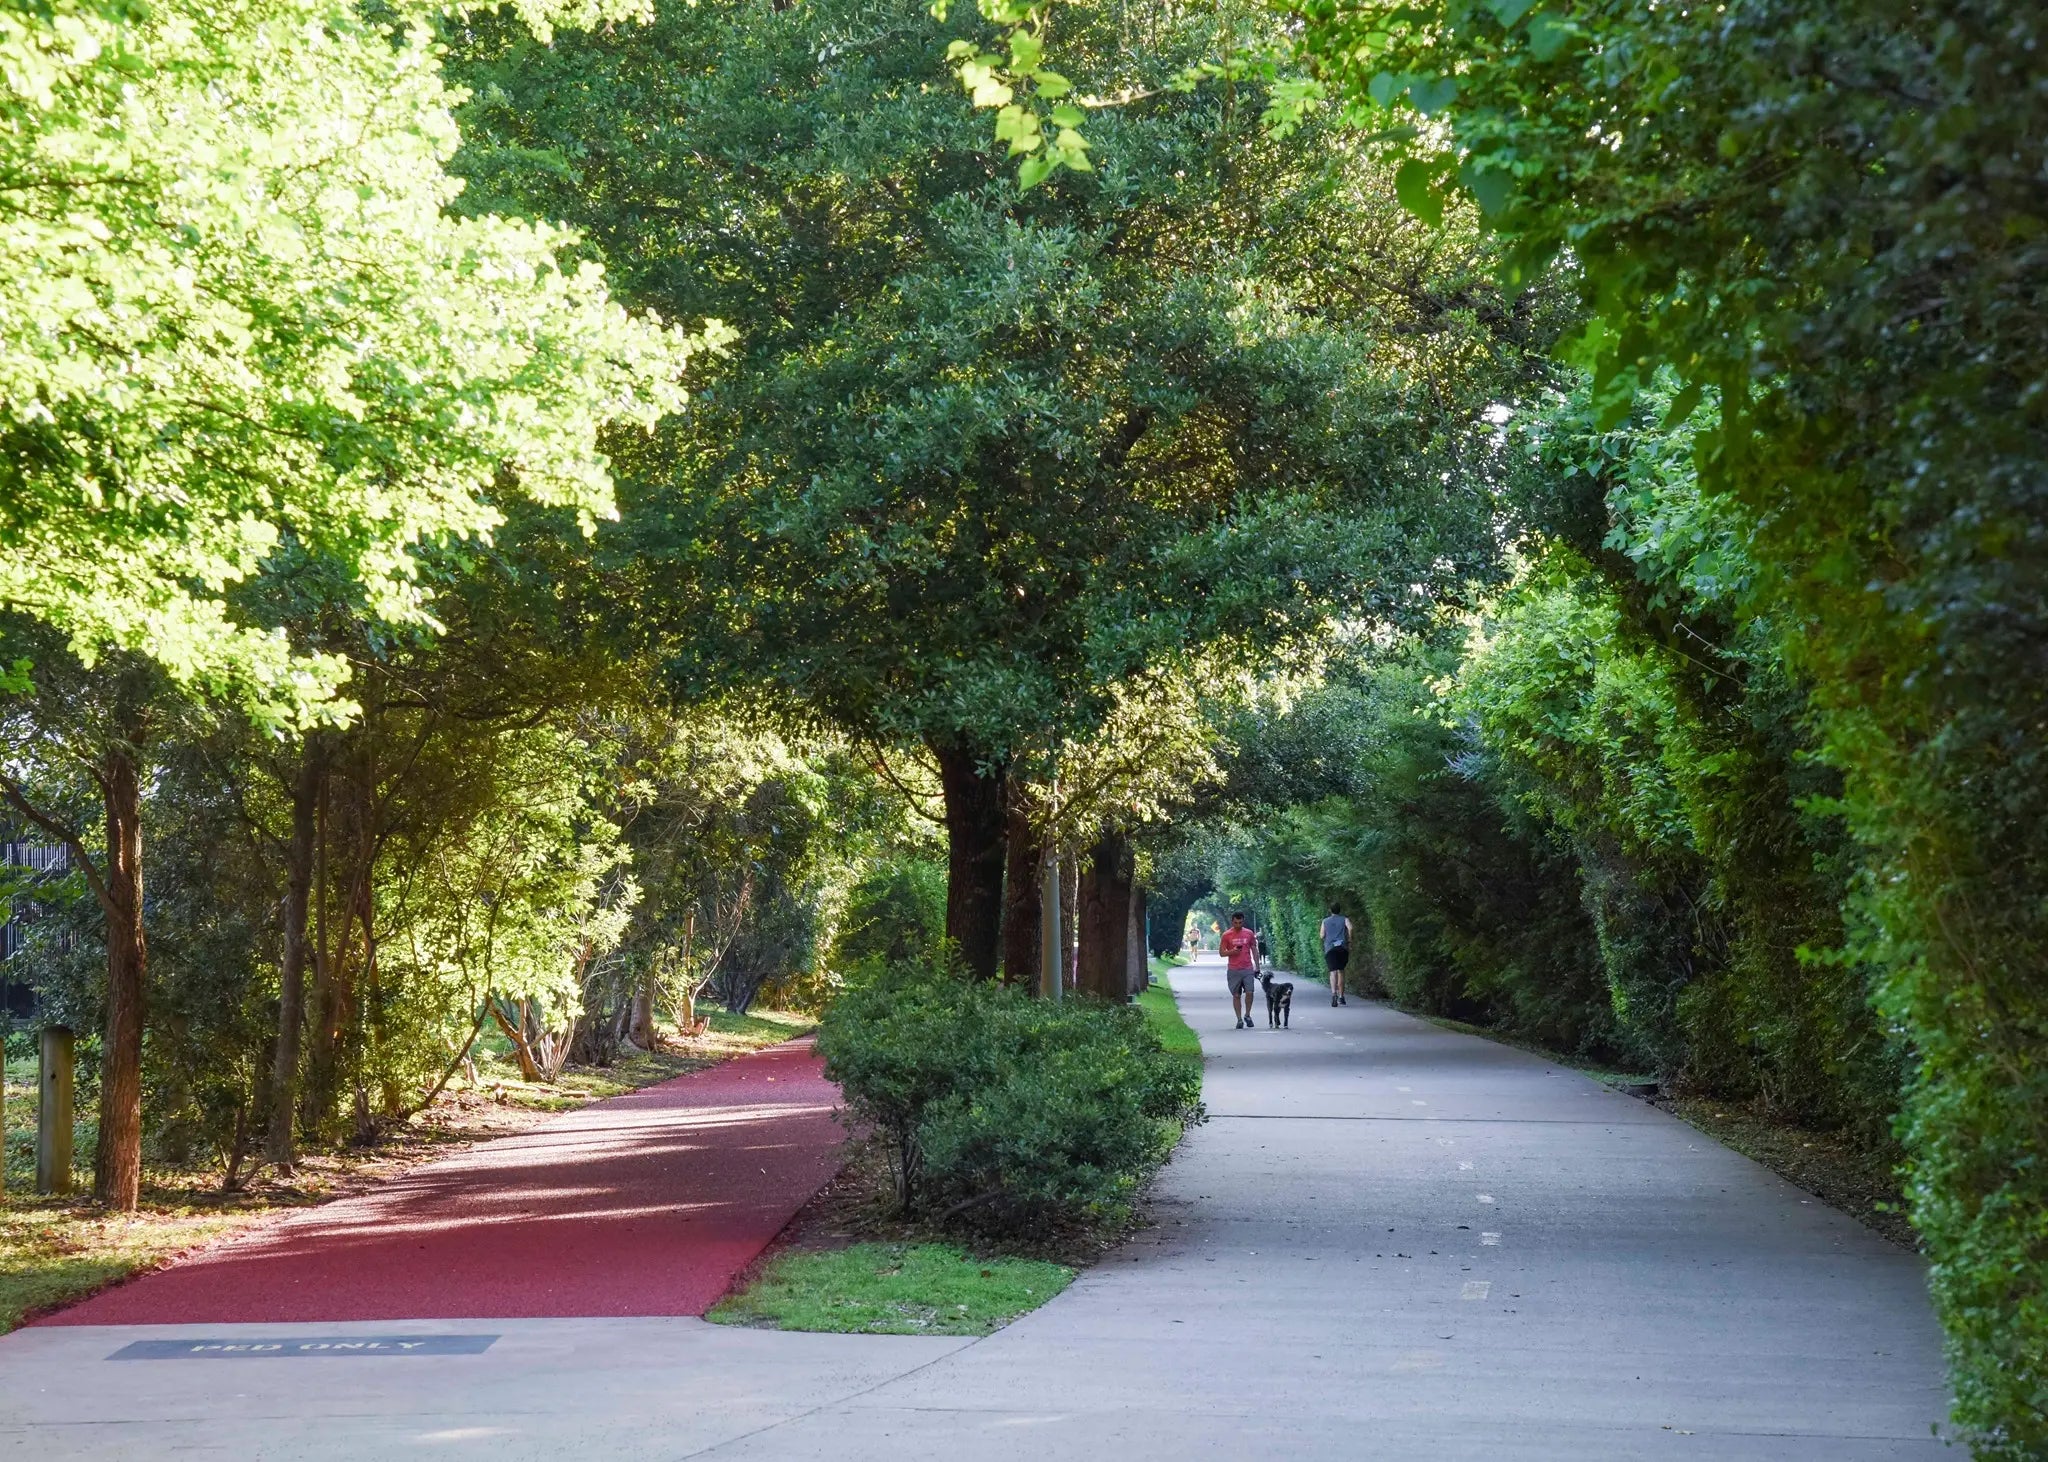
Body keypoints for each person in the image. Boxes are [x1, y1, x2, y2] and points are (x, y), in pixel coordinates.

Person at [1220, 912, 1259, 1029]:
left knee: (1250, 992)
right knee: (1236, 995)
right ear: (1232, 922)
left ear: (1243, 921)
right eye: (1236, 922)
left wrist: (1257, 966)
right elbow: (1222, 953)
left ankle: (1247, 1015)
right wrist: (1232, 952)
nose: (1238, 925)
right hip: (1233, 969)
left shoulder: (1249, 933)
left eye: (1240, 922)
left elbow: (1254, 949)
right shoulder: (1226, 935)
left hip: (1247, 967)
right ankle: (1239, 1019)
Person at [1321, 903, 1353, 1006]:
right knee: (1341, 971)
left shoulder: (1325, 921)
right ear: (1339, 910)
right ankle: (1341, 997)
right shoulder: (1344, 919)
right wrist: (1349, 939)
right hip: (1342, 948)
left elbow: (1321, 935)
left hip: (1330, 949)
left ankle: (1334, 994)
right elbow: (1350, 928)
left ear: (1330, 910)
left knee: (1332, 972)